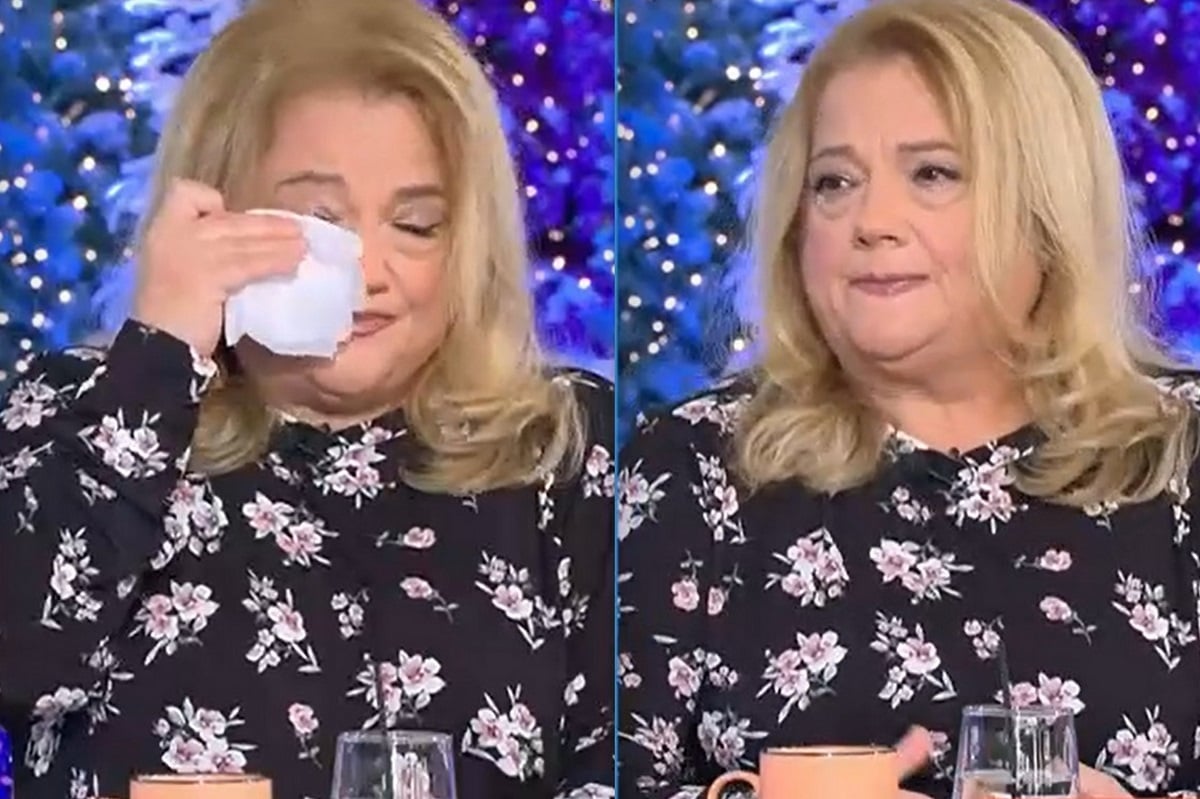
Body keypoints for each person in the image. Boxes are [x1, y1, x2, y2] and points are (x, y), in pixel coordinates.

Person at [0, 0, 614, 796]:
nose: (370, 273)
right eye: (320, 222)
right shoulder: (75, 411)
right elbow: (20, 665)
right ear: (213, 214)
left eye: (417, 224)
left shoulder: (565, 446)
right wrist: (159, 361)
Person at [617, 0, 1200, 797]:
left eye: (932, 173)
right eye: (834, 182)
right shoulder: (694, 464)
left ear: (1045, 209)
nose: (871, 221)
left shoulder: (1181, 453)